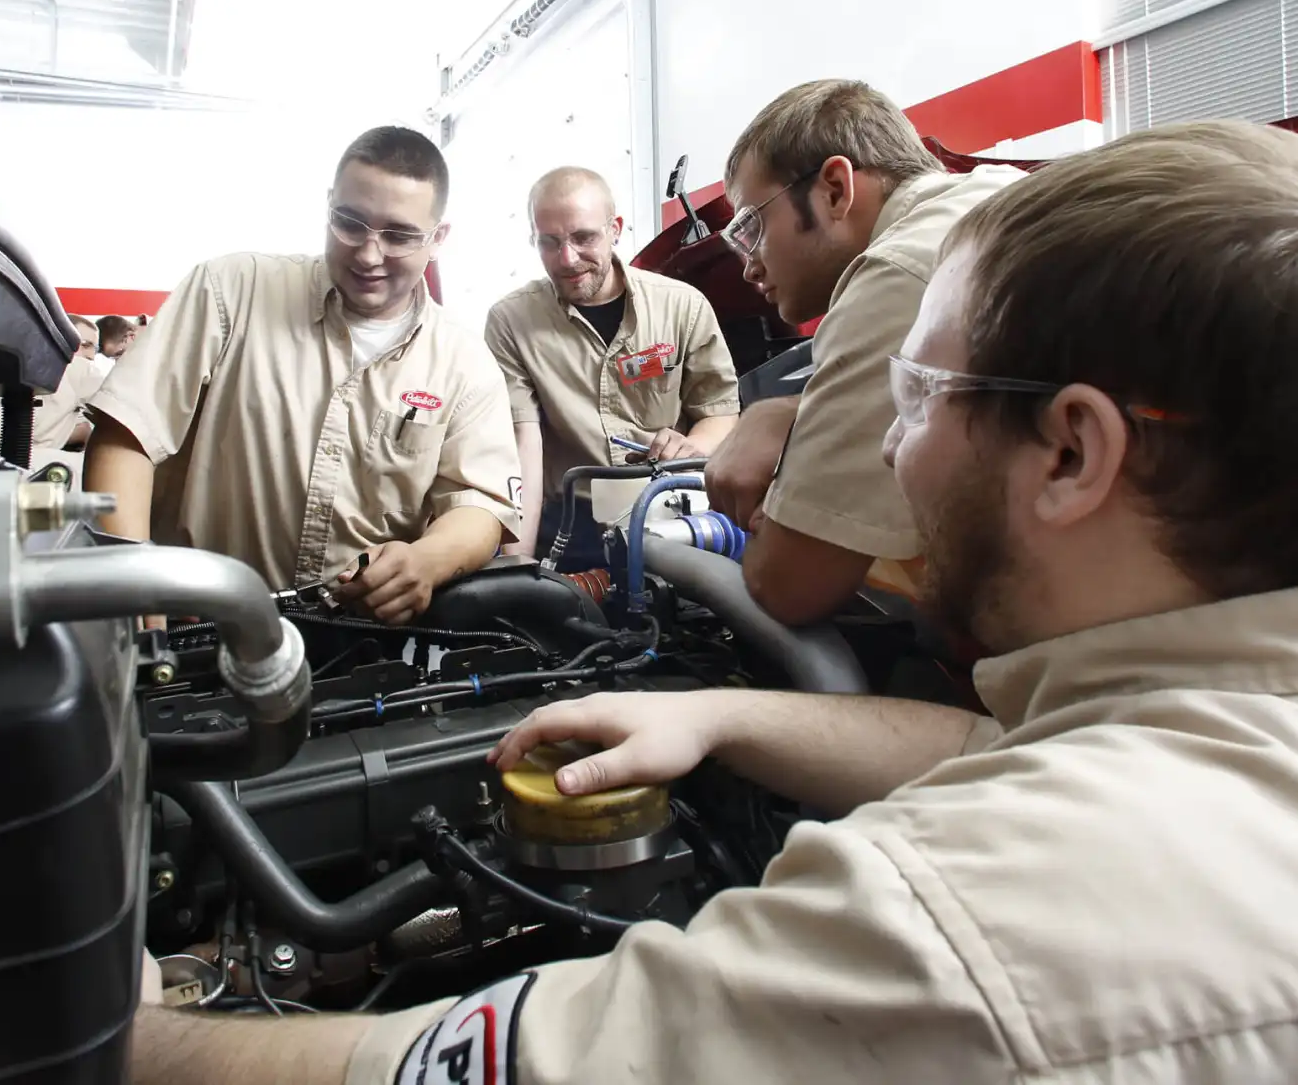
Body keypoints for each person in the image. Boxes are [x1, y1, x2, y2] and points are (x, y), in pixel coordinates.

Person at [128, 120, 1298, 1082]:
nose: (887, 444)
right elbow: (996, 747)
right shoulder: (1223, 727)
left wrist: (111, 1033)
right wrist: (724, 716)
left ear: (1071, 453)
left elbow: (421, 1069)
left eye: (916, 393)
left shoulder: (943, 921)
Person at [84, 127, 521, 623]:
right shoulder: (230, 292)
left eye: (398, 235)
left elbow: (480, 505)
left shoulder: (463, 362)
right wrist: (135, 598)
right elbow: (126, 437)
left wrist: (426, 560)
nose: (369, 254)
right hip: (200, 630)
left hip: (358, 649)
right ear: (329, 205)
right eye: (350, 223)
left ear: (438, 238)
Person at [706, 80, 1024, 624]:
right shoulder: (993, 195)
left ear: (834, 188)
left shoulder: (900, 273)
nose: (749, 265)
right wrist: (792, 412)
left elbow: (788, 586)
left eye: (752, 226)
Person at [484, 167, 740, 566]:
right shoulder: (511, 322)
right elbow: (524, 448)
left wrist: (691, 449)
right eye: (549, 242)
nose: (567, 259)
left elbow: (720, 412)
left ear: (615, 229)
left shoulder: (682, 306)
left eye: (584, 237)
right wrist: (518, 563)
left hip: (669, 510)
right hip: (572, 521)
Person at [31, 315, 109, 453]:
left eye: (95, 349)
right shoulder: (80, 370)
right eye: (85, 345)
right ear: (60, 339)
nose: (91, 355)